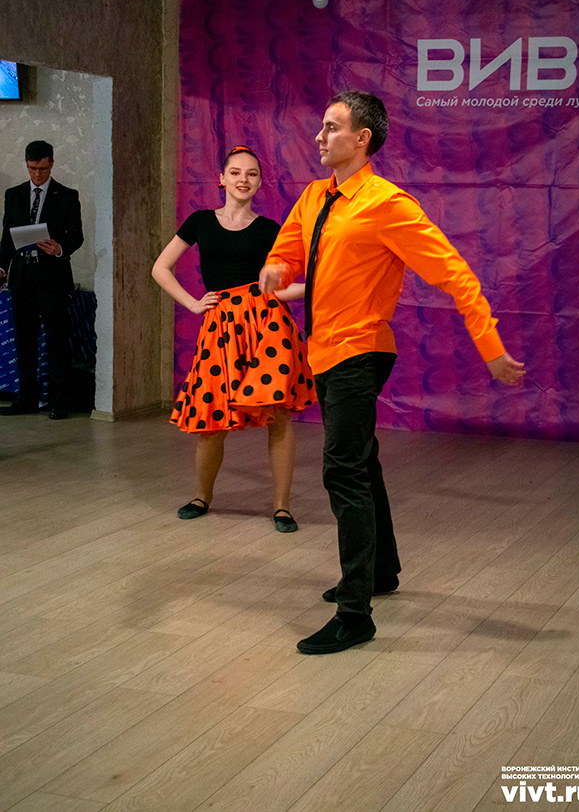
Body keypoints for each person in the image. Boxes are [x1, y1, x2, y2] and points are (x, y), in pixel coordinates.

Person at [259, 90, 525, 654]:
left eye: (332, 127)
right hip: (323, 350)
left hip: (360, 350)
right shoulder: (314, 197)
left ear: (362, 139)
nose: (320, 137)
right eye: (321, 126)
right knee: (361, 461)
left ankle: (355, 614)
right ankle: (381, 572)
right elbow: (287, 251)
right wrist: (275, 269)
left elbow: (454, 272)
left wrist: (490, 345)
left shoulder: (388, 204)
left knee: (342, 473)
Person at [152, 145, 316, 532]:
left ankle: (282, 506)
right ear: (222, 179)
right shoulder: (200, 221)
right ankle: (202, 496)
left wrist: (317, 285)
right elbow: (160, 267)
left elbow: (281, 287)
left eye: (252, 174)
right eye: (237, 173)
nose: (244, 179)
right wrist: (193, 303)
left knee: (278, 415)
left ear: (259, 182)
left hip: (268, 327)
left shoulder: (270, 230)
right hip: (221, 328)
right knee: (212, 418)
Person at [0, 140, 83, 420]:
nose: (38, 174)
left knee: (57, 339)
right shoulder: (14, 194)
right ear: (26, 165)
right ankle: (26, 396)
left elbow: (76, 236)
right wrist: (2, 267)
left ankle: (61, 400)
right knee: (24, 340)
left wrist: (59, 248)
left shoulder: (67, 196)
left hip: (52, 277)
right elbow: (7, 236)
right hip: (22, 276)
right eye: (33, 169)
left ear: (52, 164)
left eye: (43, 169)